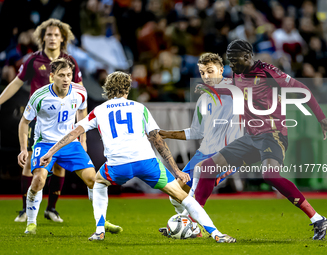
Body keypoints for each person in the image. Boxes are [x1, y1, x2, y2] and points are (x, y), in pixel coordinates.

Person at [39, 71, 236, 243]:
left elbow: (73, 133)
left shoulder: (98, 111)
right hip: (146, 163)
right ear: (126, 90)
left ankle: (99, 231)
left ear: (108, 90)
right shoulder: (139, 107)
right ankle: (216, 233)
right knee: (183, 197)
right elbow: (157, 140)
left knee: (99, 184)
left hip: (117, 166)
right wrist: (176, 170)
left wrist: (50, 152)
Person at [194, 39, 327, 240]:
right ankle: (194, 223)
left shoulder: (268, 72)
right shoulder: (237, 73)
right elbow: (237, 91)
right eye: (229, 61)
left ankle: (318, 219)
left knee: (270, 175)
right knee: (208, 168)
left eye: (235, 60)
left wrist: (321, 119)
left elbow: (302, 90)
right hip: (251, 137)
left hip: (273, 135)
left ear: (248, 57)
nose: (231, 65)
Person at [18, 58, 122, 235]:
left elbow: (83, 111)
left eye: (69, 75)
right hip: (45, 143)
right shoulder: (39, 95)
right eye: (61, 75)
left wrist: (83, 140)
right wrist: (23, 149)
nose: (66, 79)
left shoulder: (80, 91)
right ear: (52, 76)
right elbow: (24, 122)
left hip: (70, 144)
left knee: (94, 181)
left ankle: (102, 222)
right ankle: (31, 222)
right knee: (39, 180)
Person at [0, 18, 83, 223]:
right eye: (49, 34)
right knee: (29, 162)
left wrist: (81, 126)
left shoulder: (70, 61)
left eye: (56, 34)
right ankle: (26, 209)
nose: (52, 38)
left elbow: (81, 94)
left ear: (62, 38)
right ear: (43, 37)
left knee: (59, 166)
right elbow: (16, 83)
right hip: (38, 119)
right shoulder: (33, 60)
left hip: (63, 120)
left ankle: (51, 209)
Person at [158, 53, 243, 234]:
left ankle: (192, 226)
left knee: (195, 192)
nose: (206, 76)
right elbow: (196, 132)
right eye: (202, 72)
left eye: (210, 71)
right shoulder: (203, 99)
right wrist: (166, 134)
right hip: (204, 152)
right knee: (175, 193)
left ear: (221, 70)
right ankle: (185, 224)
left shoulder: (233, 87)